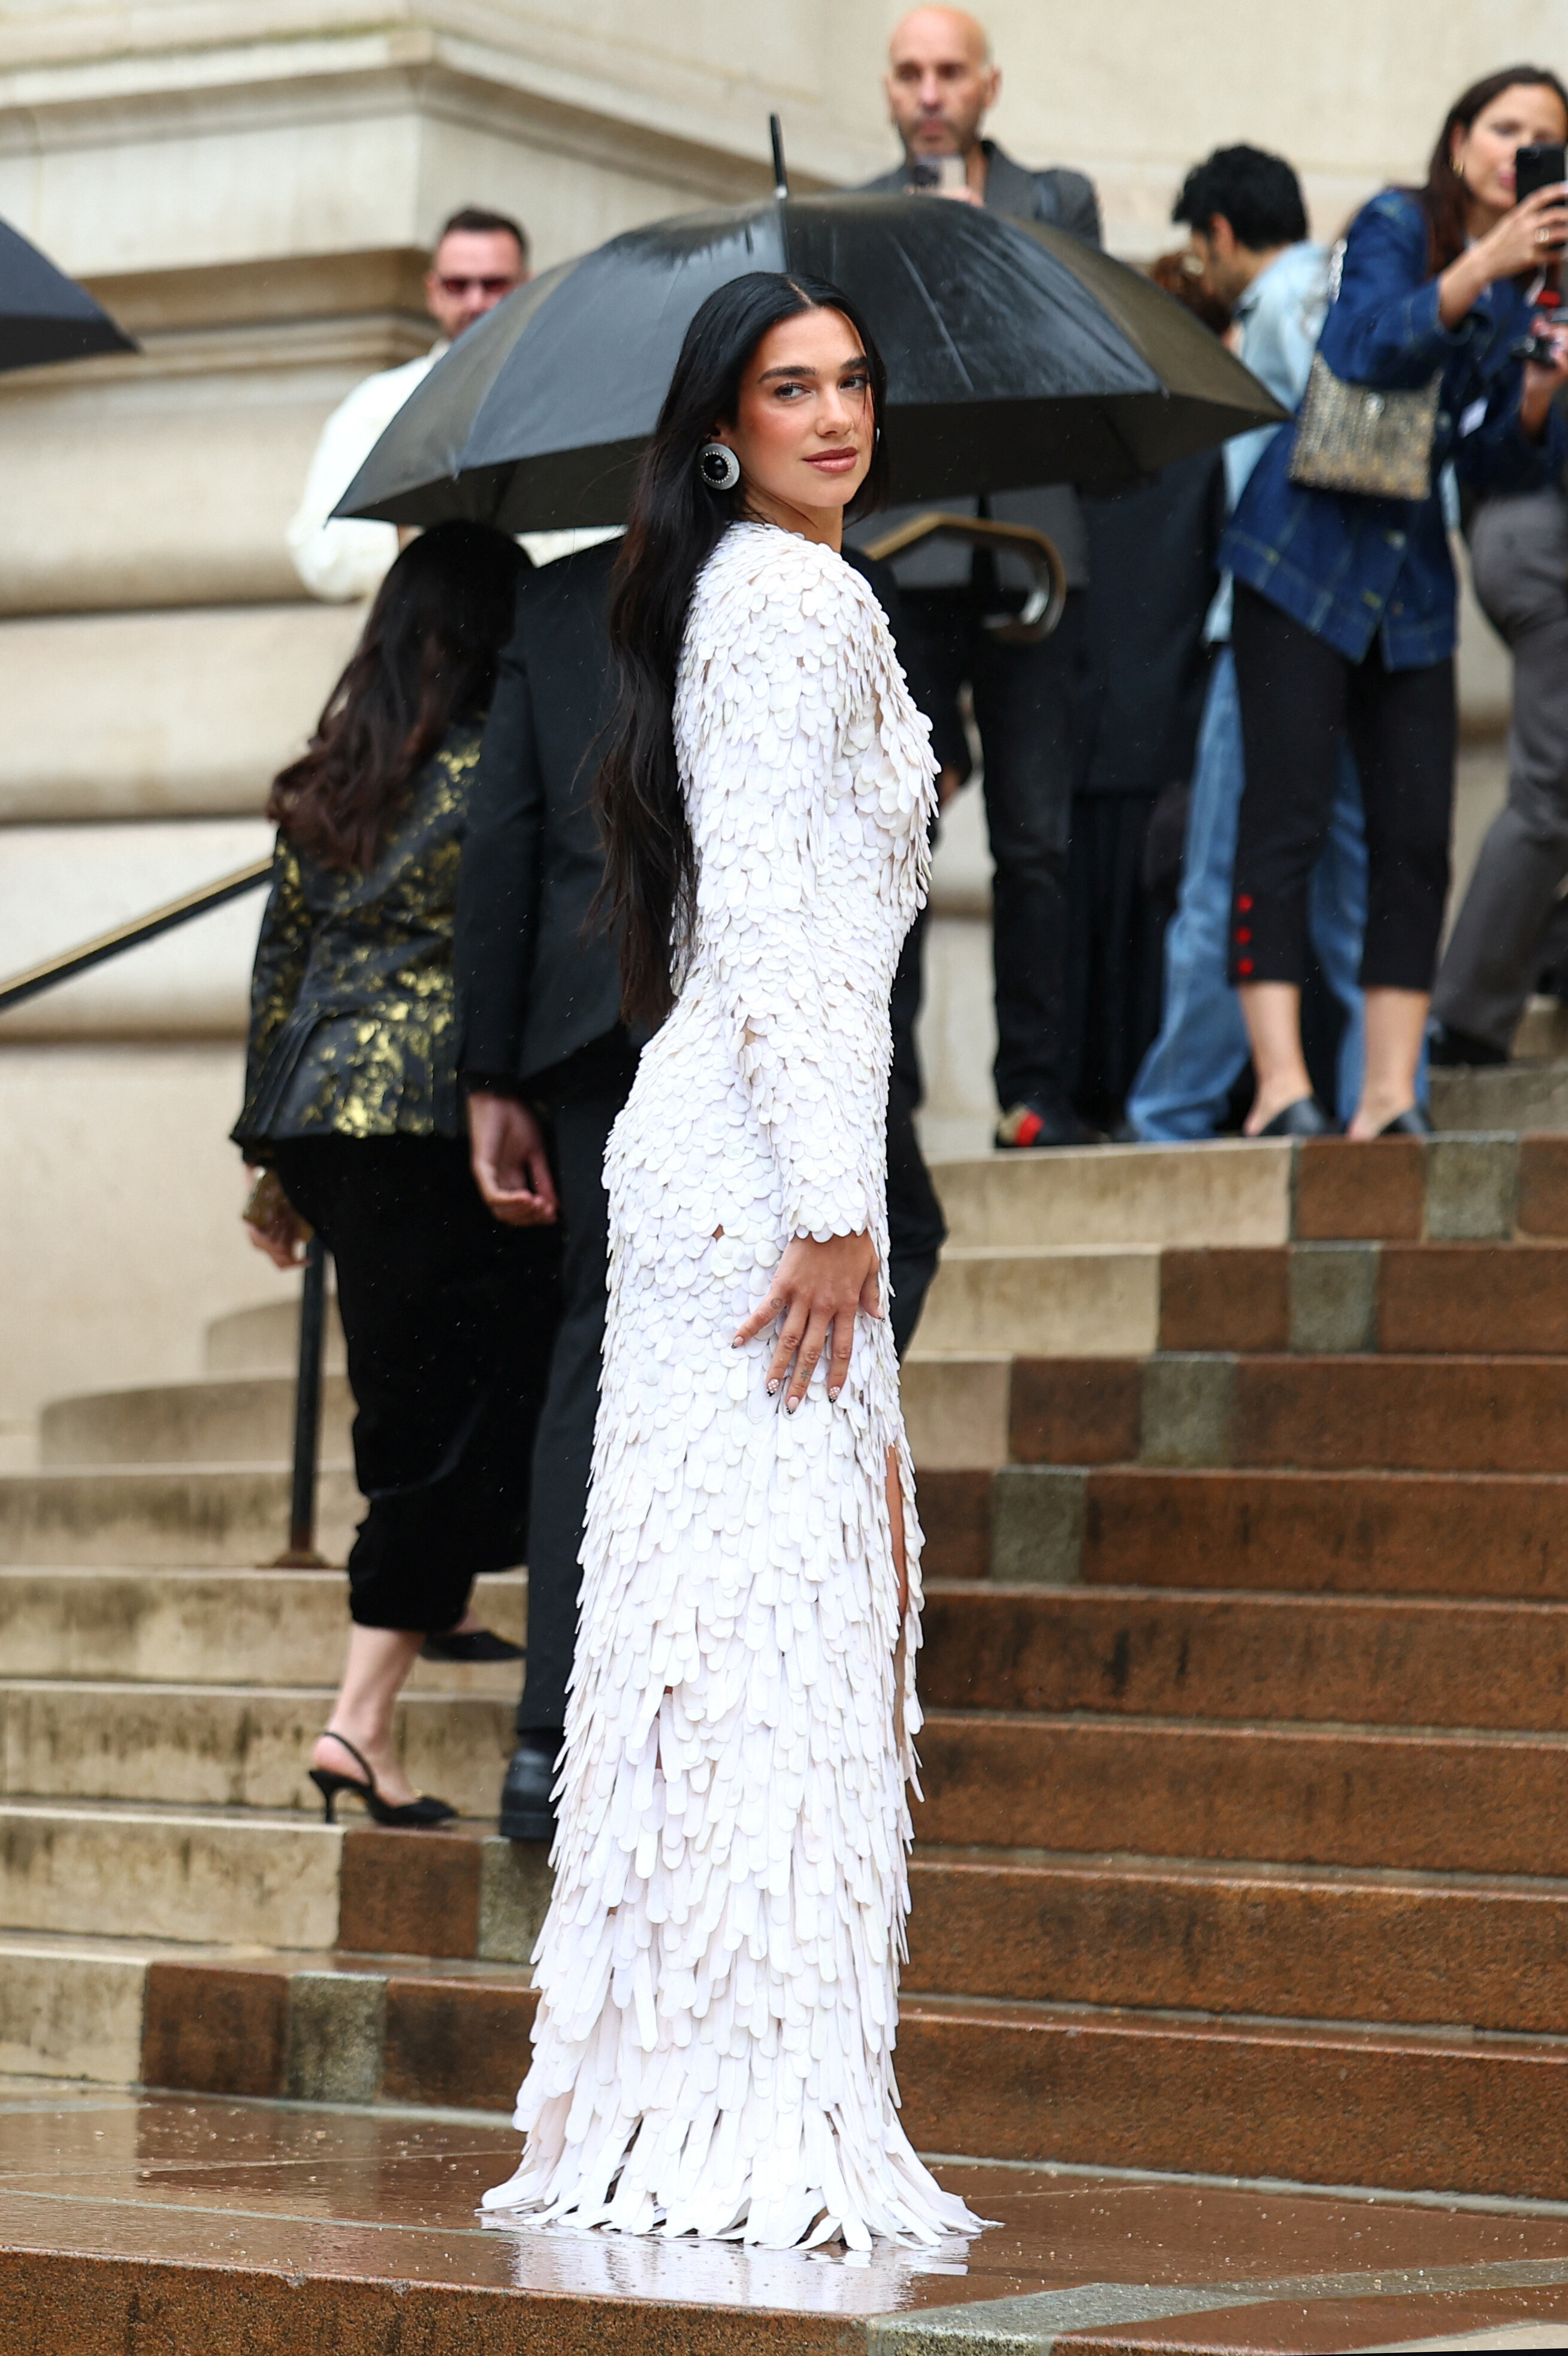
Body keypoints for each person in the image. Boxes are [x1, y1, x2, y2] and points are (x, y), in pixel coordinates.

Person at [479, 271, 986, 2248]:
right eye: (792, 389)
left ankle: (687, 2104)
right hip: (768, 1176)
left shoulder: (748, 596)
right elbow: (773, 928)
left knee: (735, 1642)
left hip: (731, 1143)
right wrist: (839, 1206)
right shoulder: (787, 604)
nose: (836, 415)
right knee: (772, 1646)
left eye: (854, 382)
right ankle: (739, 2114)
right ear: (721, 428)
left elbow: (761, 925)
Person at [458, 548, 948, 1851]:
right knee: (828, 1273)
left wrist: (490, 1066)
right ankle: (665, 1666)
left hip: (596, 1012)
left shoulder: (565, 596)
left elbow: (503, 834)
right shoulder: (805, 583)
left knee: (601, 1346)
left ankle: (555, 1731)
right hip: (735, 1029)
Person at [234, 522, 560, 1827]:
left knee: (412, 1392)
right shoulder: (499, 762)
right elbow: (515, 949)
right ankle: (359, 1725)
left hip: (322, 1114)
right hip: (436, 1115)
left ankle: (443, 1602)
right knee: (457, 1416)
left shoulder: (337, 774)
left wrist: (269, 1163)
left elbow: (280, 971)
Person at [1223, 70, 1568, 1139]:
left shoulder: (1534, 284)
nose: (1518, 151)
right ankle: (1280, 1084)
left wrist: (1536, 395)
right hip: (1300, 556)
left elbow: (1487, 464)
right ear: (1460, 140)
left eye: (1544, 138)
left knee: (1414, 837)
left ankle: (1387, 1094)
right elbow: (1360, 350)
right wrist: (1479, 267)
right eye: (1503, 128)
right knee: (1283, 820)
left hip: (1410, 578)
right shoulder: (1395, 224)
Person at [851, 6, 1103, 1148]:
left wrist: (978, 247)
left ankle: (1032, 1090)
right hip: (907, 554)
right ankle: (886, 1101)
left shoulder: (1054, 199)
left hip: (1035, 546)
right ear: (887, 88)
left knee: (1035, 839)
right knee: (896, 830)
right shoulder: (856, 215)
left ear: (987, 86)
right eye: (910, 72)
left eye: (949, 71)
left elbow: (1081, 340)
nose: (929, 92)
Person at [1128, 147, 1372, 1141]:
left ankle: (1171, 1110)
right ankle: (1378, 1096)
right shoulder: (1350, 291)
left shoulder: (1278, 303)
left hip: (1270, 623)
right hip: (1358, 623)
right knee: (1350, 876)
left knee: (1219, 872)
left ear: (1219, 234)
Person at [1065, 254, 1227, 1136]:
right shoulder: (1203, 451)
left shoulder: (1083, 448)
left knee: (1103, 943)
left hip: (1102, 732)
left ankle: (1095, 1100)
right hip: (1150, 735)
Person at [287, 209, 528, 602]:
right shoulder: (377, 405)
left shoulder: (567, 399)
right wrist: (409, 524)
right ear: (433, 292)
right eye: (457, 285)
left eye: (494, 284)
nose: (476, 301)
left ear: (527, 287)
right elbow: (318, 552)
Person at [1430, 451, 1568, 1062]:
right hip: (1546, 535)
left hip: (1516, 527)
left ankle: (1553, 955)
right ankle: (1466, 1016)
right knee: (1549, 793)